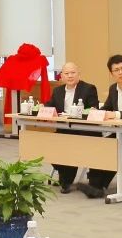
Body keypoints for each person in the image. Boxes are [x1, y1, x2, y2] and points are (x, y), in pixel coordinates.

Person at [78, 54, 122, 199]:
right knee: (102, 145)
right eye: (116, 70)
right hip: (119, 132)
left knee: (116, 147)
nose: (121, 72)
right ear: (111, 73)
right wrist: (97, 111)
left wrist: (116, 114)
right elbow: (107, 107)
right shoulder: (113, 89)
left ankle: (98, 186)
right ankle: (95, 185)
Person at [42, 62, 99, 193]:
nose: (70, 76)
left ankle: (66, 180)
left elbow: (94, 108)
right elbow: (50, 105)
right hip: (64, 129)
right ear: (61, 76)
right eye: (66, 73)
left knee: (69, 143)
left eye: (73, 73)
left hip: (84, 130)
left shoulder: (88, 88)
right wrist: (43, 107)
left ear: (79, 74)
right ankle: (65, 174)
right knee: (47, 144)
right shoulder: (58, 91)